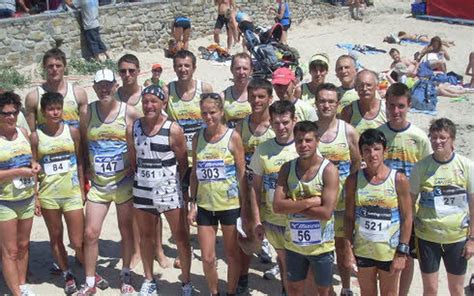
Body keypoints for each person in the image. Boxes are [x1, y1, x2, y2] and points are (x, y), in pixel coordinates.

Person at [77, 69, 140, 296]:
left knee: (126, 231)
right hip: (99, 185)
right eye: (99, 85)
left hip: (124, 183)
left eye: (108, 85)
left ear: (115, 86)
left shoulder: (130, 113)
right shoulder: (86, 112)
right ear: (94, 88)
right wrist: (84, 174)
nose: (104, 89)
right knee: (91, 233)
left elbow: (141, 142)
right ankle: (90, 281)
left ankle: (125, 275)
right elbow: (83, 146)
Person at [127, 85, 193, 295]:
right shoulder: (134, 127)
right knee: (146, 238)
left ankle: (186, 282)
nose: (149, 106)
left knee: (181, 237)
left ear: (163, 103)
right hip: (143, 190)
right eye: (145, 101)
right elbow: (133, 159)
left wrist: (179, 188)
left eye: (153, 101)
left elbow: (183, 163)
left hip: (169, 190)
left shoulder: (173, 129)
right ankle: (149, 279)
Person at [187, 93, 246, 296]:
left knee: (232, 255)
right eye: (204, 113)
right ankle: (214, 292)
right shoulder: (197, 138)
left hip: (230, 205)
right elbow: (195, 172)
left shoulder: (233, 137)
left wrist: (245, 207)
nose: (208, 117)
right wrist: (192, 203)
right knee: (208, 257)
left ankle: (230, 292)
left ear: (221, 112)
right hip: (205, 205)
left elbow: (241, 173)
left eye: (212, 112)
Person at [376, 83, 431, 296]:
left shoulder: (419, 137)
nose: (395, 111)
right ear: (386, 105)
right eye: (391, 106)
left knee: (406, 257)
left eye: (400, 106)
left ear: (409, 105)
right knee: (383, 255)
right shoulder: (378, 134)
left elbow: (427, 172)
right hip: (382, 206)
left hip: (410, 208)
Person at [273, 120, 339, 296]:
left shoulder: (329, 170)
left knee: (323, 291)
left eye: (308, 140)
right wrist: (309, 202)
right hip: (294, 245)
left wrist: (292, 206)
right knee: (294, 288)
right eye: (299, 141)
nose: (303, 145)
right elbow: (277, 206)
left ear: (317, 141)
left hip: (321, 247)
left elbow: (326, 213)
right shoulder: (287, 168)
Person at [343, 128, 412, 296]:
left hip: (389, 251)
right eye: (367, 150)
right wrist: (348, 249)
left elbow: (407, 217)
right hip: (363, 250)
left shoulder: (398, 179)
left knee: (389, 293)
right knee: (367, 292)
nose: (372, 154)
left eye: (376, 149)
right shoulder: (353, 180)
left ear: (384, 151)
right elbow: (349, 217)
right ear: (361, 153)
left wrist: (402, 252)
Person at [410, 118, 474, 296]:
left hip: (457, 239)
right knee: (430, 289)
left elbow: (473, 205)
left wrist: (472, 239)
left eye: (443, 138)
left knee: (456, 289)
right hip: (427, 238)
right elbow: (410, 202)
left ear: (452, 139)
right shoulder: (421, 167)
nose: (437, 141)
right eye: (434, 137)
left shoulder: (467, 166)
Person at [30, 92, 86, 295]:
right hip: (48, 195)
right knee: (56, 237)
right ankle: (67, 273)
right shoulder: (36, 136)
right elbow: (33, 165)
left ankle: (89, 273)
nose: (55, 112)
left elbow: (80, 160)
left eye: (58, 108)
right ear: (43, 112)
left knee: (78, 239)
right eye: (51, 109)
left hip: (71, 193)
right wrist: (35, 195)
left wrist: (81, 187)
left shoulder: (72, 132)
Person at [314, 83, 361, 296]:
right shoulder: (310, 131)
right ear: (316, 103)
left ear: (338, 104)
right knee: (318, 250)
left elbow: (356, 165)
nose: (326, 105)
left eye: (330, 101)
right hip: (317, 203)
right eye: (322, 101)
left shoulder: (348, 131)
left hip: (341, 203)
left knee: (343, 248)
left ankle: (346, 287)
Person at [249, 100, 299, 295]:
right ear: (270, 122)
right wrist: (256, 220)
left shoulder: (305, 146)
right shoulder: (263, 149)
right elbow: (254, 188)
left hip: (300, 219)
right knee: (285, 261)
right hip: (273, 220)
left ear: (294, 120)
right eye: (276, 123)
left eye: (286, 122)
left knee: (300, 265)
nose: (281, 127)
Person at [235, 78, 276, 294]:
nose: (257, 101)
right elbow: (237, 162)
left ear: (270, 98)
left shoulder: (278, 126)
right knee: (246, 238)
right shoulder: (242, 126)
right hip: (249, 190)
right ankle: (243, 279)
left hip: (272, 190)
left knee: (281, 239)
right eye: (253, 97)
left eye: (261, 96)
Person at [0, 91, 39, 296]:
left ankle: (22, 284)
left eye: (14, 112)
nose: (11, 117)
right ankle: (15, 292)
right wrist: (18, 172)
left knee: (24, 245)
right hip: (4, 202)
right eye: (6, 113)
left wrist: (33, 167)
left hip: (26, 199)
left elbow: (30, 160)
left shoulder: (23, 133)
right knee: (10, 250)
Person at [25, 48, 88, 131]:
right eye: (50, 66)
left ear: (64, 67)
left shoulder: (79, 94)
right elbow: (31, 132)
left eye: (58, 66)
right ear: (44, 67)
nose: (54, 69)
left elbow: (84, 128)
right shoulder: (33, 97)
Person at [341, 70, 387, 134]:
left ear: (377, 86)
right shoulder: (349, 111)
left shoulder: (386, 108)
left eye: (369, 85)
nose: (365, 89)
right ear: (356, 88)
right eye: (361, 85)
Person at [222, 53, 252, 128]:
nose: (241, 72)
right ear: (231, 69)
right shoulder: (223, 97)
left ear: (251, 71)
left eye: (245, 68)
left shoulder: (258, 95)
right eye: (238, 68)